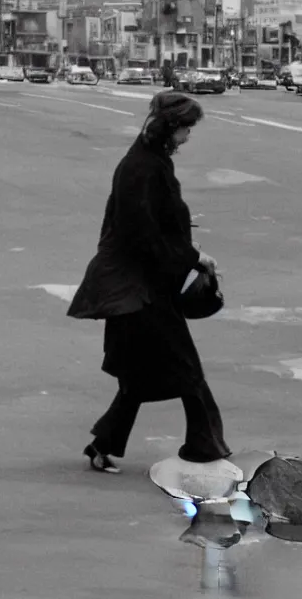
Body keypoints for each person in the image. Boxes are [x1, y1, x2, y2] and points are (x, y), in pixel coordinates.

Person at [67, 90, 229, 474]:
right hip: (135, 290)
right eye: (187, 128)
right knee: (186, 370)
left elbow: (155, 225)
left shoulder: (148, 161)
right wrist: (193, 257)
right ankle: (206, 450)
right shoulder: (143, 167)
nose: (188, 137)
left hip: (141, 285)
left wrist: (186, 248)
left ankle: (104, 445)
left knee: (140, 378)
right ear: (171, 127)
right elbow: (141, 232)